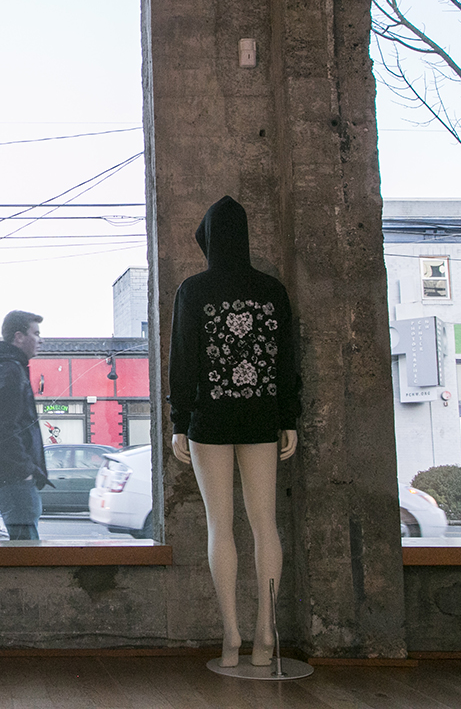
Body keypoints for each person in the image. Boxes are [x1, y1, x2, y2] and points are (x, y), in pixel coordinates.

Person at [168, 196, 300, 668]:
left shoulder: (193, 290)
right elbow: (287, 359)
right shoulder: (272, 291)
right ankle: (267, 632)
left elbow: (183, 360)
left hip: (210, 420)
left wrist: (178, 421)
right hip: (264, 418)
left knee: (219, 525)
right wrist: (290, 417)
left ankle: (231, 635)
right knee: (266, 525)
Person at [0, 310, 50, 540]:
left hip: (6, 477)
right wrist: (24, 471)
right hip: (12, 480)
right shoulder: (9, 371)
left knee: (21, 547)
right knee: (26, 554)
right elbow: (5, 428)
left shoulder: (2, 368)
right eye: (36, 333)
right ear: (19, 337)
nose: (41, 339)